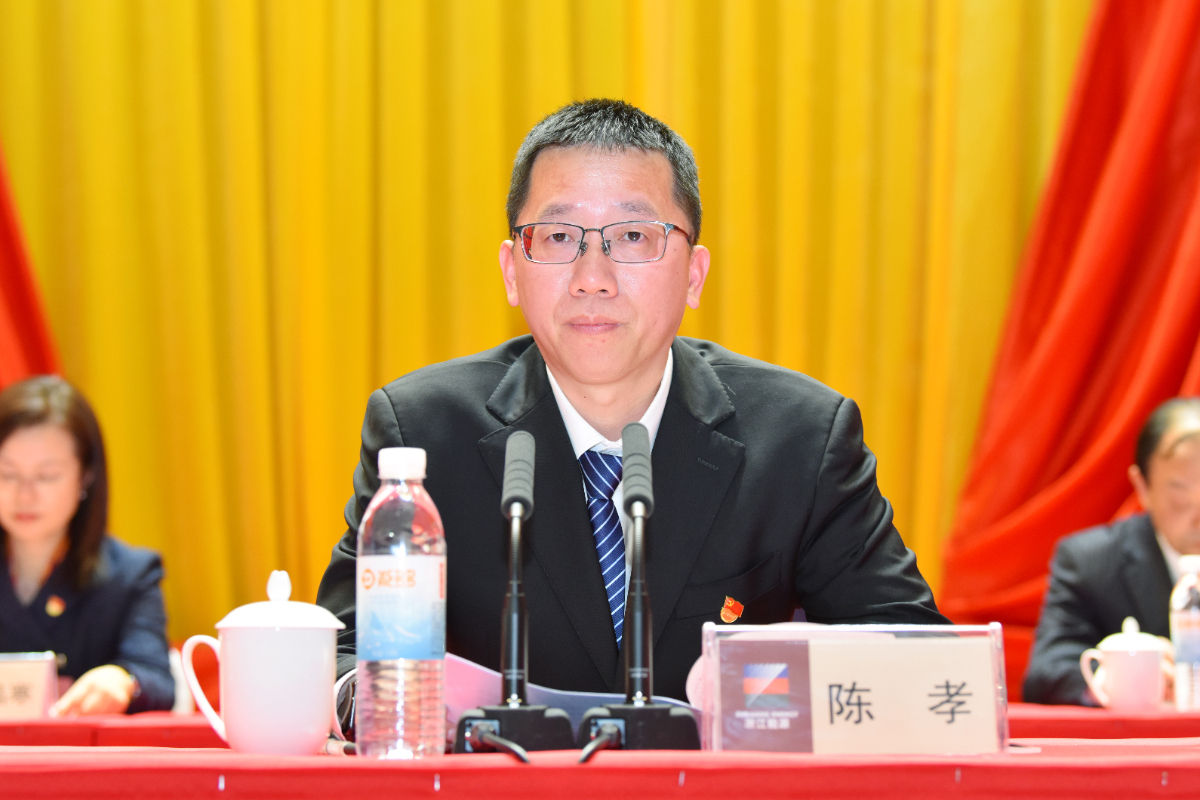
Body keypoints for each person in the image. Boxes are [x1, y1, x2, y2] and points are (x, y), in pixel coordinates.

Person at [316, 99, 946, 706]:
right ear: (512, 271)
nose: (593, 277)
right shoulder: (423, 433)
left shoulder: (801, 437)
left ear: (694, 274)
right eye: (558, 236)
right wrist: (387, 704)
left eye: (634, 236)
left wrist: (772, 694)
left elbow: (913, 652)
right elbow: (342, 653)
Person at [0, 375, 173, 714]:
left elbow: (155, 677)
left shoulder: (130, 575)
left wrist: (122, 680)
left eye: (47, 476)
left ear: (86, 476)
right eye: (7, 474)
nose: (24, 495)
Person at [1024, 397, 1200, 705]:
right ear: (1142, 486)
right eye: (1180, 494)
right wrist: (1118, 676)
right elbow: (1047, 671)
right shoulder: (1091, 562)